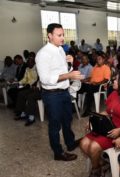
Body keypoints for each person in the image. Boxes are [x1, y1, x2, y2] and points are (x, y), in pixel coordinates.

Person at [35, 23, 84, 161]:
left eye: (63, 35)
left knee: (67, 120)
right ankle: (58, 152)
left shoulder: (61, 49)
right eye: (59, 35)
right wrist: (69, 76)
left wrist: (70, 63)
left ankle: (70, 143)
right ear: (50, 36)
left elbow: (62, 71)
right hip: (52, 94)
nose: (63, 38)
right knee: (55, 124)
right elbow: (45, 79)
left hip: (64, 91)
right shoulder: (43, 54)